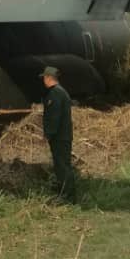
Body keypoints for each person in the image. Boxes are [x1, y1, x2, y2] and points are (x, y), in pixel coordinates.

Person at [41, 66, 75, 200]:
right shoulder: (60, 92)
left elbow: (54, 116)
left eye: (44, 77)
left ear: (49, 78)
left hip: (59, 137)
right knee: (60, 164)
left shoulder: (55, 93)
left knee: (62, 166)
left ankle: (68, 196)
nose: (43, 80)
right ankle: (63, 191)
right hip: (62, 136)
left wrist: (49, 134)